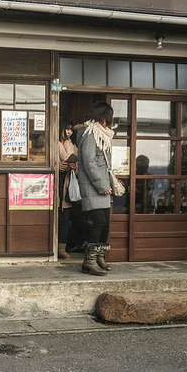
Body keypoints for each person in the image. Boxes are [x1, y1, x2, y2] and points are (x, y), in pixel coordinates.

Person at [76, 103, 114, 276]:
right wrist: (102, 185)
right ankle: (89, 261)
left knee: (105, 223)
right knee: (99, 221)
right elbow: (89, 163)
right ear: (103, 116)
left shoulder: (100, 134)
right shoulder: (90, 134)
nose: (110, 122)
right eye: (109, 118)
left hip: (103, 187)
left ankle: (99, 257)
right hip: (94, 186)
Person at [58, 117, 78, 260]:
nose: (69, 132)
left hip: (66, 184)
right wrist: (56, 166)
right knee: (55, 217)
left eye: (71, 129)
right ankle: (54, 248)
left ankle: (62, 249)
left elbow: (78, 167)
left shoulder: (73, 146)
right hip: (55, 183)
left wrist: (74, 167)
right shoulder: (53, 143)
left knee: (65, 218)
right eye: (67, 129)